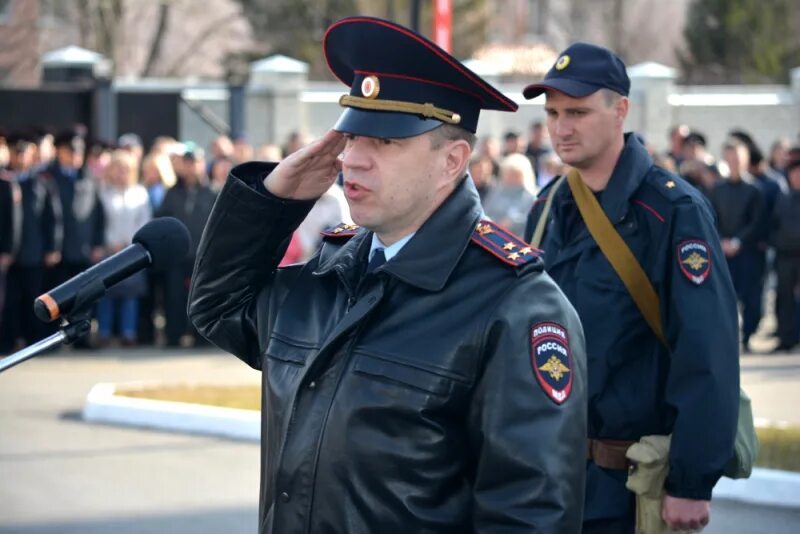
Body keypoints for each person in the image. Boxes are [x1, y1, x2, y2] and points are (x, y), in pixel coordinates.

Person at [189, 16, 587, 533]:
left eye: (385, 141)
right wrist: (270, 200)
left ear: (451, 161)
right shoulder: (327, 276)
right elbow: (217, 308)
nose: (352, 159)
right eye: (351, 136)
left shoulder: (516, 307)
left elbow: (529, 515)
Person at [523, 42, 740, 532]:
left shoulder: (673, 212)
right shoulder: (548, 207)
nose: (561, 127)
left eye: (577, 111)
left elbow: (707, 350)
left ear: (620, 109)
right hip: (548, 479)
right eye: (553, 112)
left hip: (632, 488)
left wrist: (691, 480)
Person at [770, 158, 800, 351]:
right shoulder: (783, 197)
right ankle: (786, 338)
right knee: (784, 298)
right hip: (785, 256)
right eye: (794, 173)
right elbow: (773, 224)